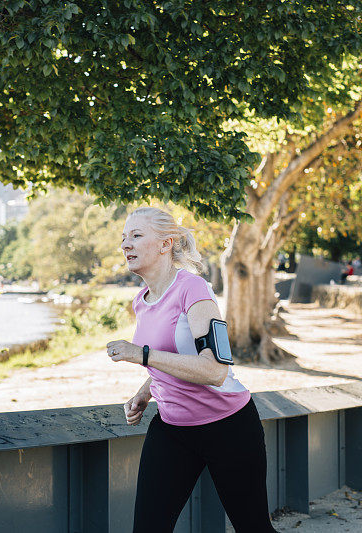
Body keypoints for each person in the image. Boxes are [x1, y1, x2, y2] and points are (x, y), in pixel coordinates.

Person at [107, 206, 276, 533]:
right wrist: (146, 391)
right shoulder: (141, 300)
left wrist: (141, 355)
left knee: (253, 528)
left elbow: (215, 371)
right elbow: (170, 354)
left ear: (166, 244)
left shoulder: (193, 289)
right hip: (172, 428)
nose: (126, 244)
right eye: (124, 238)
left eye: (137, 236)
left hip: (228, 427)